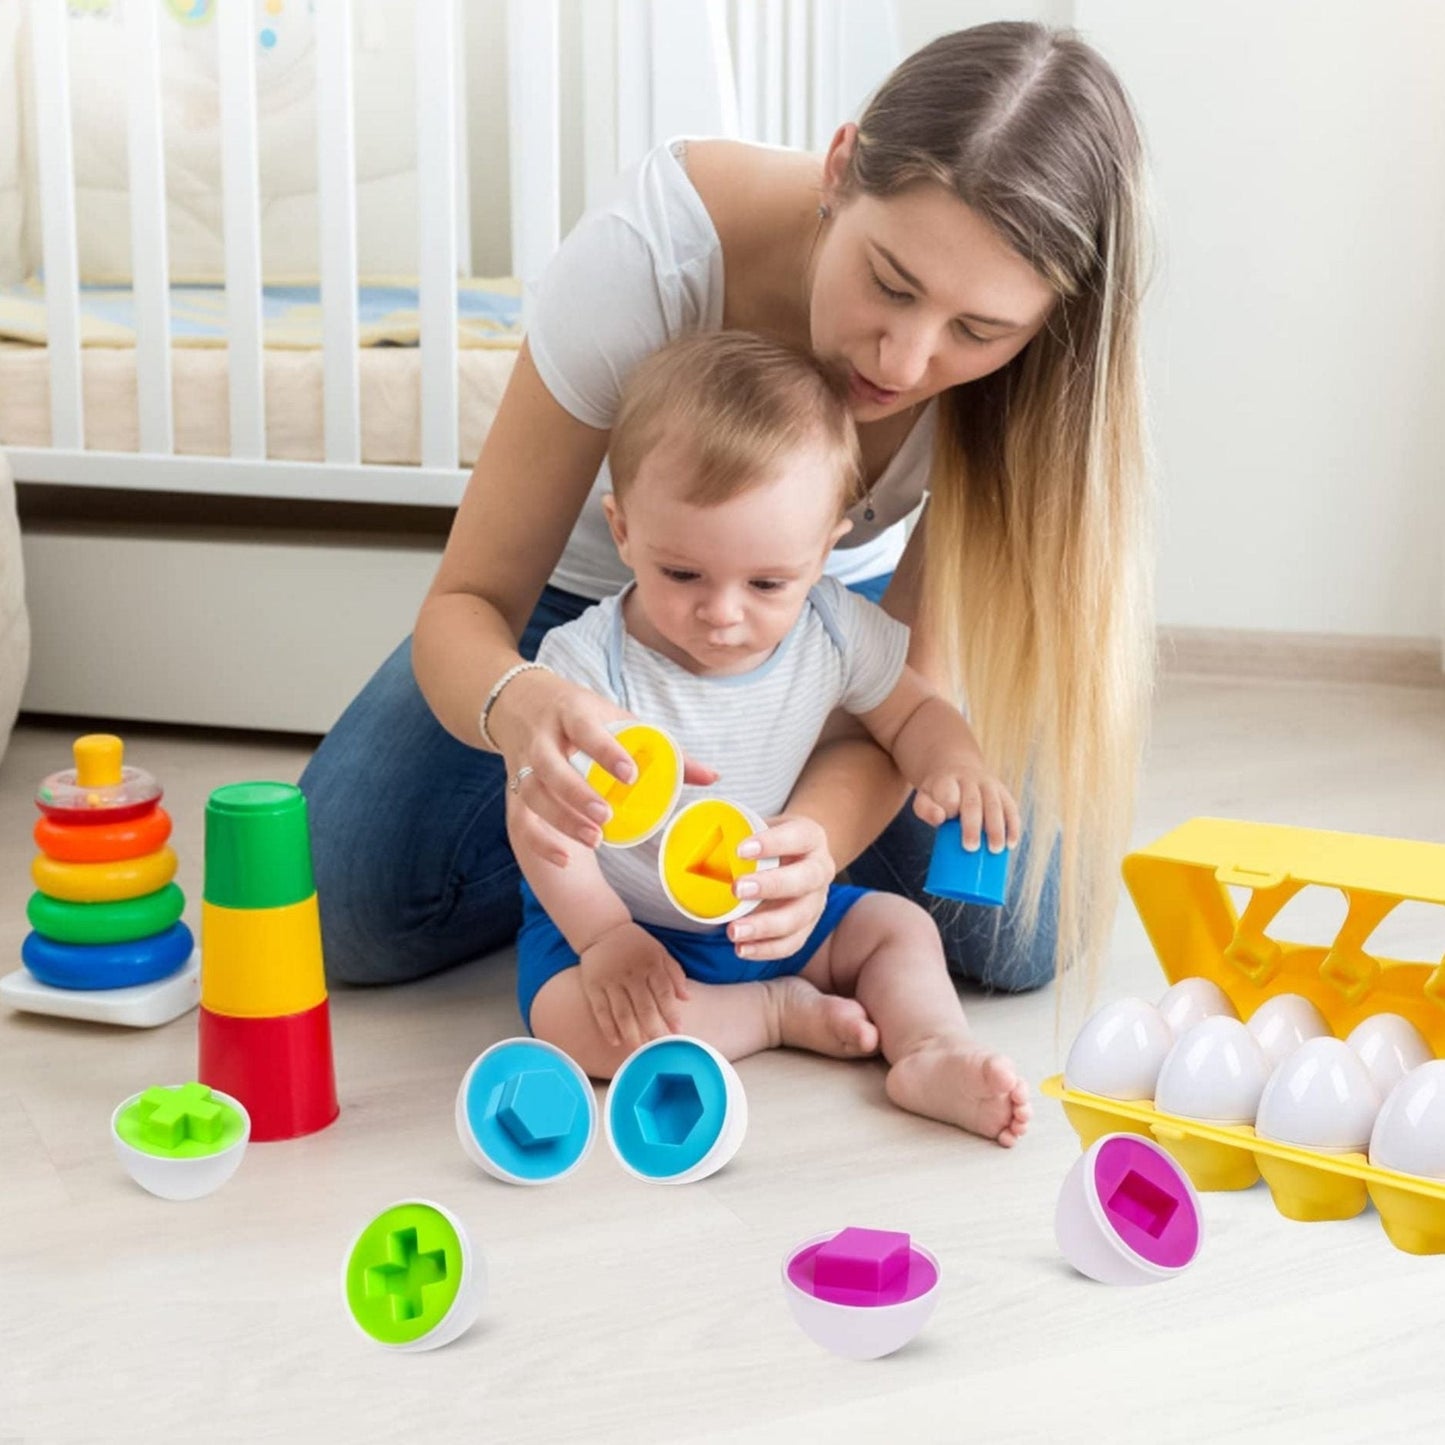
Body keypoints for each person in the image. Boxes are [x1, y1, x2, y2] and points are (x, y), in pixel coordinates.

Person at [299, 22, 1152, 1004]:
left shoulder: (1026, 387)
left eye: (976, 330)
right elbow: (467, 602)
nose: (904, 362)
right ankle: (627, 863)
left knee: (1021, 927)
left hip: (817, 612)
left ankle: (728, 837)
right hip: (574, 607)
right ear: (839, 169)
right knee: (342, 904)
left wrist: (816, 845)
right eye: (889, 283)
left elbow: (908, 688)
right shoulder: (649, 258)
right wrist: (526, 710)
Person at [515, 330, 1029, 1144]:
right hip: (626, 925)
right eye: (681, 574)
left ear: (824, 550)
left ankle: (931, 1048)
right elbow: (539, 818)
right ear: (622, 530)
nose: (722, 613)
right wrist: (604, 936)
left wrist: (955, 762)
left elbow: (912, 711)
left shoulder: (831, 626)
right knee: (571, 1023)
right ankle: (768, 1013)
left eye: (766, 583)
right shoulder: (585, 663)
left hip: (782, 915)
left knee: (901, 929)